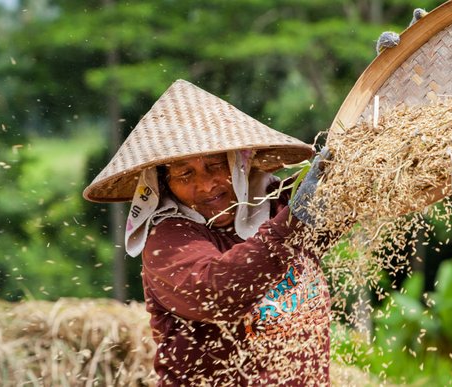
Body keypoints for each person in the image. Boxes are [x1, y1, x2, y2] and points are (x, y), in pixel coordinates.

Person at [83, 79, 333, 386]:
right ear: (164, 184)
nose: (205, 184)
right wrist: (294, 221)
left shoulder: (277, 205)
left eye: (215, 165)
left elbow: (350, 203)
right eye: (185, 173)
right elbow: (218, 292)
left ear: (238, 164)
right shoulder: (168, 239)